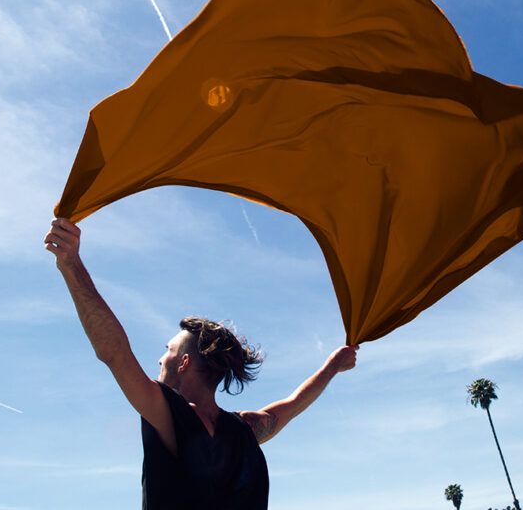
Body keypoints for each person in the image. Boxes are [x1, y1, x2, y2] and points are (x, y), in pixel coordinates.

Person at [44, 217, 359, 509]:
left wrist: (71, 265)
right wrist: (332, 366)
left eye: (167, 350)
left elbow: (114, 353)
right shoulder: (246, 429)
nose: (159, 358)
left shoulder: (168, 412)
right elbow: (294, 404)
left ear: (183, 363)